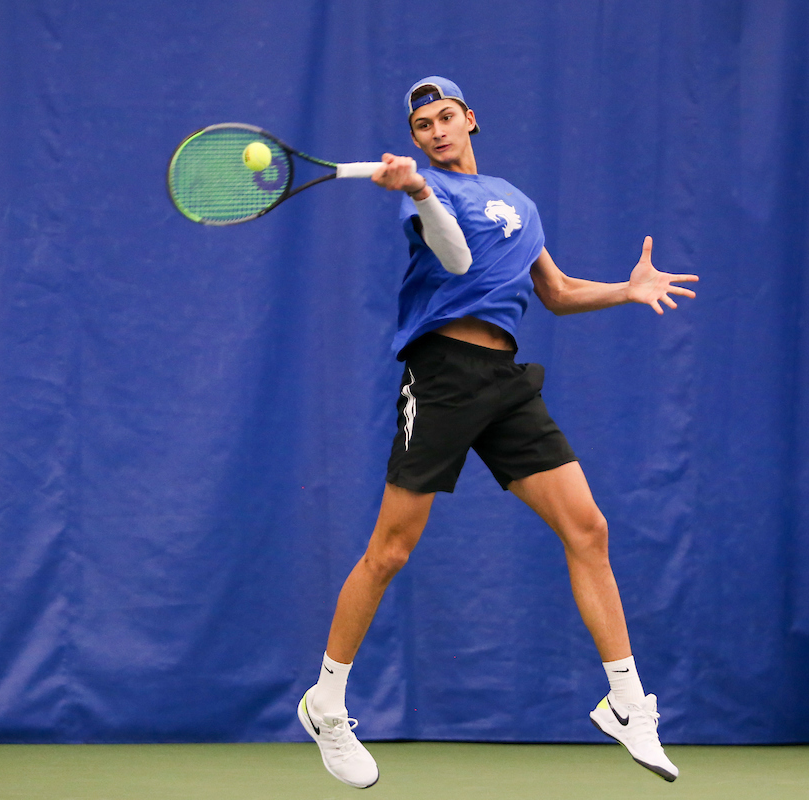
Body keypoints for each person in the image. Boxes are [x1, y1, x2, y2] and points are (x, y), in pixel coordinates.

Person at [297, 76, 698, 789]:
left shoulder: (519, 202)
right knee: (389, 551)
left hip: (505, 382)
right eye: (423, 124)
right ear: (416, 138)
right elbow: (455, 260)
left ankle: (628, 703)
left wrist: (626, 289)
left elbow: (557, 292)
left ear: (470, 119)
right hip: (444, 376)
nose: (435, 130)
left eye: (445, 116)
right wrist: (418, 192)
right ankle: (326, 703)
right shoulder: (429, 199)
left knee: (588, 529)